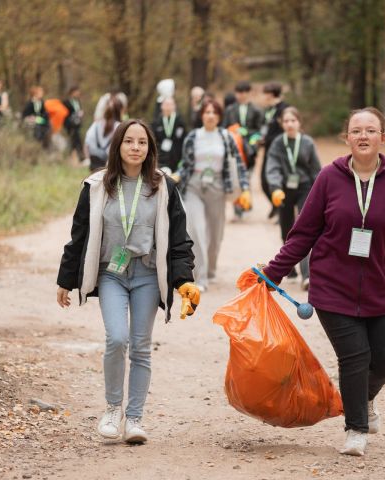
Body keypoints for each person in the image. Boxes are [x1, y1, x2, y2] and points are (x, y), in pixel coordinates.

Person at [258, 107, 385, 456]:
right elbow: (303, 233)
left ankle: (364, 396)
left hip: (382, 286)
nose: (363, 136)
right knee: (355, 358)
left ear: (383, 138)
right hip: (333, 287)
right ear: (346, 138)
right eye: (356, 130)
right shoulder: (329, 178)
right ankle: (356, 428)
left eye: (371, 130)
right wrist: (273, 273)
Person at [56, 119, 200, 444]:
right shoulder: (96, 186)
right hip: (112, 274)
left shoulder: (164, 187)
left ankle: (134, 419)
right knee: (116, 339)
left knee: (141, 347)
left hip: (147, 274)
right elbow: (79, 235)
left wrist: (183, 282)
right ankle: (111, 410)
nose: (135, 148)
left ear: (150, 149)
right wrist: (66, 279)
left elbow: (179, 240)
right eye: (129, 142)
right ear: (118, 146)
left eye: (142, 143)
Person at [173, 99, 251, 292]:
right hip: (194, 186)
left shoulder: (226, 137)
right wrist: (176, 175)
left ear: (219, 117)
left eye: (214, 112)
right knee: (197, 231)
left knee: (215, 235)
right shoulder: (193, 137)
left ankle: (211, 269)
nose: (210, 115)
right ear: (201, 115)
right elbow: (186, 164)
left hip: (217, 187)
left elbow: (239, 164)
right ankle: (200, 277)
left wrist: (245, 188)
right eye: (206, 112)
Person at [264, 107, 321, 288]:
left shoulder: (307, 143)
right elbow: (271, 166)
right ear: (282, 123)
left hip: (305, 188)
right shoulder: (277, 143)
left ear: (299, 123)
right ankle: (290, 268)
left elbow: (316, 170)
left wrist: (321, 191)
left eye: (293, 121)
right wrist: (275, 188)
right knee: (286, 229)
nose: (289, 124)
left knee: (304, 229)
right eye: (286, 121)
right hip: (283, 190)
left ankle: (307, 276)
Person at [260, 82, 289, 218]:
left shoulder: (285, 109)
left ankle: (281, 209)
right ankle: (276, 205)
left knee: (277, 179)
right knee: (264, 181)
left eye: (265, 94)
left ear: (271, 94)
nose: (263, 97)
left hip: (281, 151)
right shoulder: (269, 110)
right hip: (268, 149)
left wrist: (268, 139)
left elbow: (285, 131)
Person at [223, 80, 263, 172]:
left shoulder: (257, 110)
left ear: (249, 93)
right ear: (236, 94)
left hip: (251, 144)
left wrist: (250, 134)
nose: (243, 95)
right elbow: (224, 127)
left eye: (245, 92)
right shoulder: (230, 110)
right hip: (233, 143)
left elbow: (259, 129)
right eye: (240, 92)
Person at [84, 97, 123, 171]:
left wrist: (87, 158)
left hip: (93, 160)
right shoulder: (119, 127)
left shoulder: (96, 124)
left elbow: (86, 143)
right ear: (120, 110)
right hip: (108, 163)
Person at [150, 96, 186, 174]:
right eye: (166, 104)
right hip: (160, 159)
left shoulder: (180, 122)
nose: (168, 107)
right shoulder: (156, 122)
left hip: (176, 159)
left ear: (174, 106)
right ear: (161, 106)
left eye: (171, 104)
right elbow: (153, 141)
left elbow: (182, 141)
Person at [63, 86, 85, 163]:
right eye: (76, 92)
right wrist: (75, 114)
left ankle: (78, 157)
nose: (78, 94)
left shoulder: (78, 101)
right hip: (70, 125)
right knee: (74, 140)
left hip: (77, 124)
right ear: (72, 93)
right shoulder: (66, 102)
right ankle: (79, 157)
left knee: (76, 140)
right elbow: (65, 114)